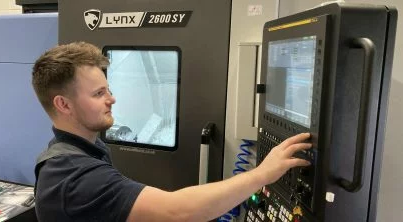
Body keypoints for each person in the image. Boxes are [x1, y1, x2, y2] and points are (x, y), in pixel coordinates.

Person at [32, 42, 311, 222]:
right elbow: (178, 211)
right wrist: (264, 173)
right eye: (98, 93)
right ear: (63, 104)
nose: (111, 99)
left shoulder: (78, 150)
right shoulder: (73, 176)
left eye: (109, 89)